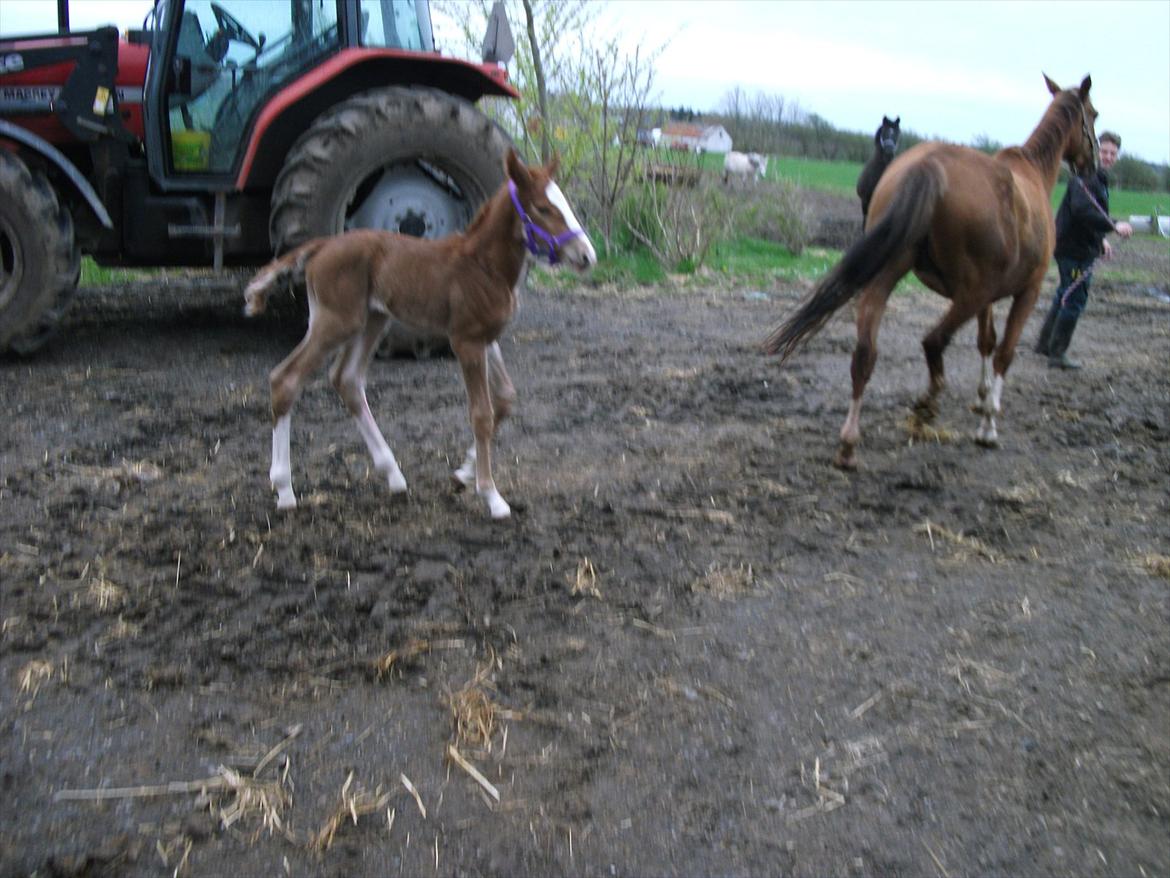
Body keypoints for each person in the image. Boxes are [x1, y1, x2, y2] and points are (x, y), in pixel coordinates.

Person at [1034, 131, 1134, 369]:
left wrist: (1101, 241)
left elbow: (1089, 214)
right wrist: (1113, 225)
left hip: (1075, 246)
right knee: (1075, 297)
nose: (1108, 156)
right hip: (1073, 250)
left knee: (1065, 292)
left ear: (1116, 156)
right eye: (1105, 151)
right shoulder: (1087, 176)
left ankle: (1045, 344)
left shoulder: (1097, 177)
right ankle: (1057, 355)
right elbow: (1082, 211)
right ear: (1096, 151)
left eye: (1112, 153)